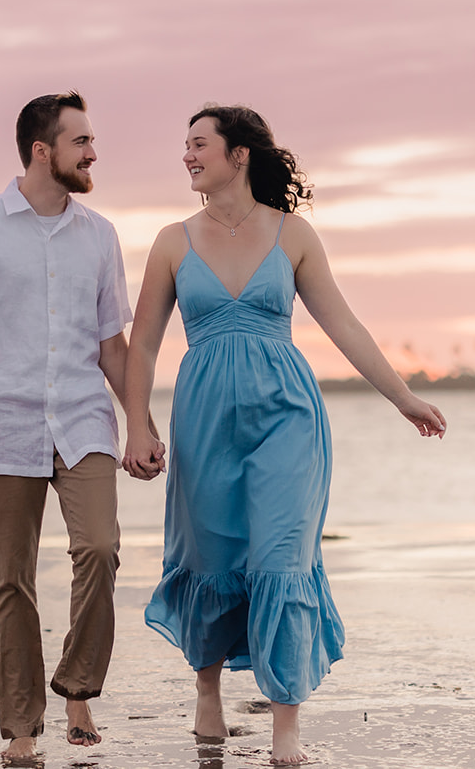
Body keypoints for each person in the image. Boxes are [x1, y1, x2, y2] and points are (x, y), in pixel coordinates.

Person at [121, 104, 446, 766]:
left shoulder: (292, 234)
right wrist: (138, 422)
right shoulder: (172, 241)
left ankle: (286, 725)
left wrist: (402, 394)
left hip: (288, 418)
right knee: (210, 557)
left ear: (239, 154)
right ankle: (207, 689)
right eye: (185, 146)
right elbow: (145, 342)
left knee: (282, 558)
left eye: (199, 144)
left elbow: (344, 324)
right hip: (205, 418)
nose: (187, 155)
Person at [0, 91, 154, 765]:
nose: (93, 152)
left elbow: (114, 345)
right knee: (11, 577)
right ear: (43, 150)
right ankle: (23, 724)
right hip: (1, 421)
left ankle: (77, 682)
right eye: (81, 141)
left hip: (83, 419)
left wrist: (141, 423)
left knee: (100, 547)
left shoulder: (100, 235)